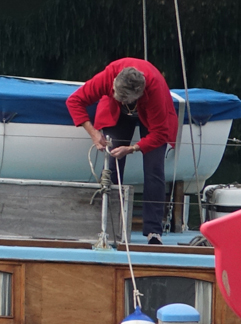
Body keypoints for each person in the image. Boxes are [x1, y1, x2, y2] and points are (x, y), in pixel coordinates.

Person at [65, 57, 178, 244]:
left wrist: (133, 148)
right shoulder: (108, 76)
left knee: (154, 169)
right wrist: (93, 133)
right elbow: (75, 101)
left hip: (150, 112)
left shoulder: (154, 89)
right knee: (112, 162)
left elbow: (160, 133)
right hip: (116, 113)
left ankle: (153, 231)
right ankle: (109, 225)